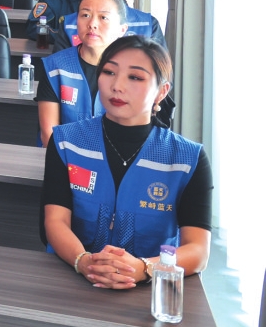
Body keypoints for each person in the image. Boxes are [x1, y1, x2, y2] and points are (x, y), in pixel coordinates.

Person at [42, 38, 211, 289]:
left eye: (135, 77)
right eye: (109, 72)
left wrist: (143, 268)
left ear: (161, 92)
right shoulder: (67, 142)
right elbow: (55, 221)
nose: (117, 86)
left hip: (150, 289)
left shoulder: (187, 159)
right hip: (71, 280)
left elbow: (198, 249)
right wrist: (85, 262)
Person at [35, 0, 129, 145]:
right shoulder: (55, 67)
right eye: (85, 15)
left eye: (103, 17)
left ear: (122, 30)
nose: (92, 24)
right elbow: (48, 135)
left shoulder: (133, 72)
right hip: (61, 156)